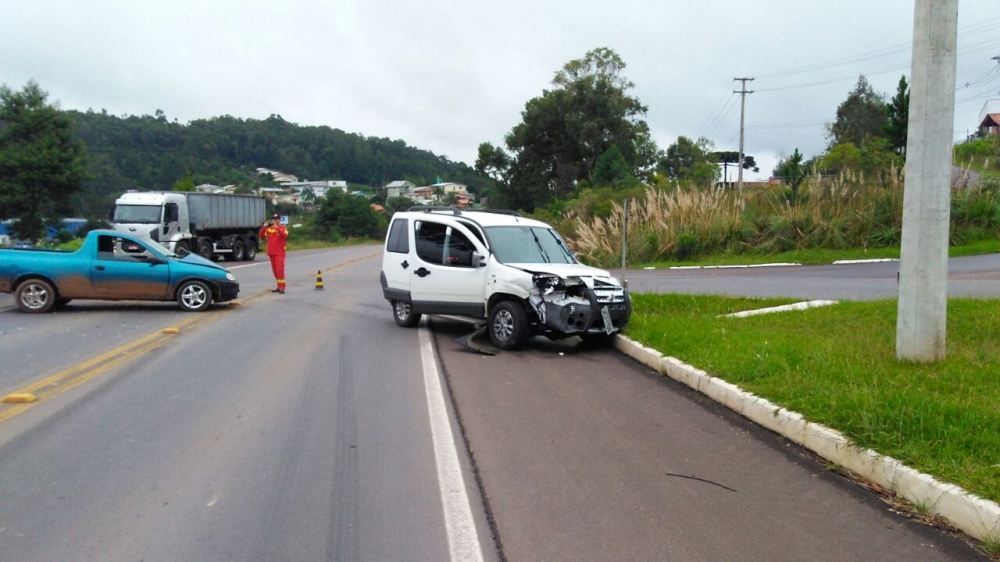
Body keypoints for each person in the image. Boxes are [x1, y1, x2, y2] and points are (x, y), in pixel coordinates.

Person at [259, 213, 289, 293]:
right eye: (274, 219)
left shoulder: (282, 228)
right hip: (271, 253)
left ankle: (282, 287)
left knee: (280, 270)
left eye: (276, 219)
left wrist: (277, 228)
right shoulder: (270, 229)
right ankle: (279, 286)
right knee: (275, 271)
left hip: (279, 253)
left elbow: (285, 235)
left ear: (279, 220)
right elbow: (261, 235)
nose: (275, 220)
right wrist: (264, 226)